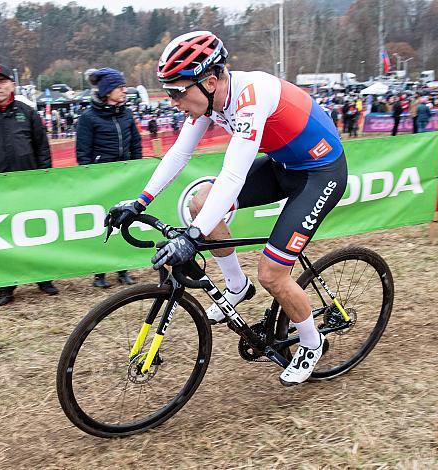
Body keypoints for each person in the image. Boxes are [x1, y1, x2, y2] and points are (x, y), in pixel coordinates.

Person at [105, 31, 347, 386]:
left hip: (320, 173)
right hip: (283, 166)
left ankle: (312, 342)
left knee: (273, 274)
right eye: (169, 91)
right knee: (202, 202)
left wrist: (193, 236)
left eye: (177, 91)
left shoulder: (251, 96)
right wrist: (139, 202)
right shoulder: (208, 99)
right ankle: (236, 285)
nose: (173, 101)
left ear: (211, 80)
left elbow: (233, 175)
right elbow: (178, 153)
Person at [0, 63, 58, 306]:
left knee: (35, 234)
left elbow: (42, 150)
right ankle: (6, 287)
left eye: (2, 81)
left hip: (28, 189)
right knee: (2, 239)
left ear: (12, 85)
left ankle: (43, 278)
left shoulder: (27, 113)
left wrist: (43, 180)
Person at [75, 67, 143, 288]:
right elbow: (82, 154)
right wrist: (92, 177)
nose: (125, 91)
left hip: (124, 178)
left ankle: (123, 270)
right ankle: (100, 273)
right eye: (120, 87)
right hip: (101, 181)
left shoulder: (126, 114)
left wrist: (136, 168)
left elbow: (136, 144)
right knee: (102, 225)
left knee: (124, 222)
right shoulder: (88, 118)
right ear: (107, 91)